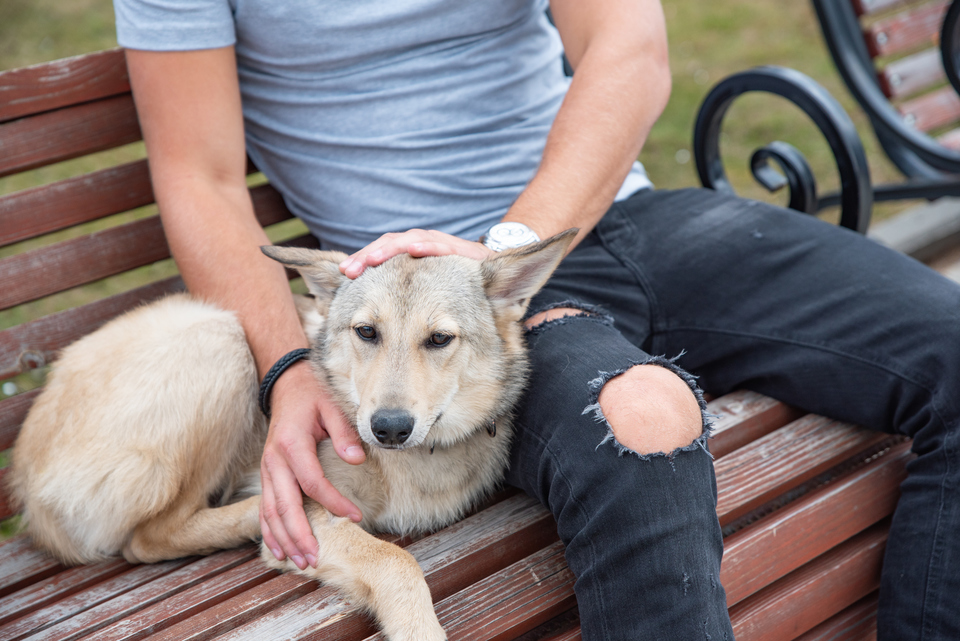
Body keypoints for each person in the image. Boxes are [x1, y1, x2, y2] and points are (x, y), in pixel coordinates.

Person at [112, 0, 960, 638]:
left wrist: (505, 253)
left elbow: (629, 47)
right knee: (638, 425)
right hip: (437, 311)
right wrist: (290, 368)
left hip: (580, 232)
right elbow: (201, 178)